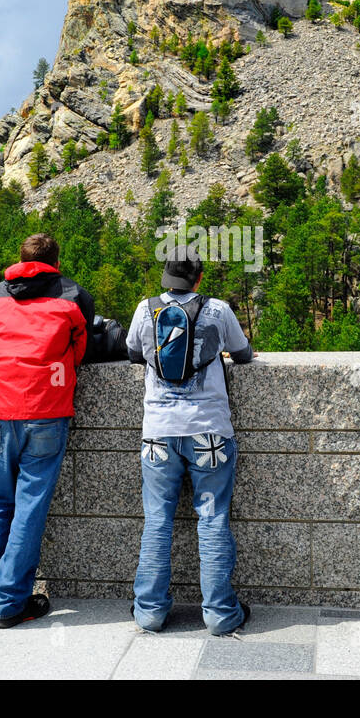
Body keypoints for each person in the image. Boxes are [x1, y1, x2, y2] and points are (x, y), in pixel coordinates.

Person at [127, 245, 254, 635]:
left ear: (166, 278)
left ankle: (149, 612)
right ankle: (219, 615)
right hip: (209, 433)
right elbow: (244, 354)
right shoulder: (218, 310)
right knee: (212, 519)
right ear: (198, 279)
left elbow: (133, 353)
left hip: (158, 435)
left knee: (157, 522)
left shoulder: (145, 309)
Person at [0, 234, 93, 627]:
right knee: (28, 507)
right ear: (57, 261)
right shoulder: (74, 296)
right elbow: (79, 353)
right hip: (46, 410)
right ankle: (10, 602)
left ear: (19, 259)